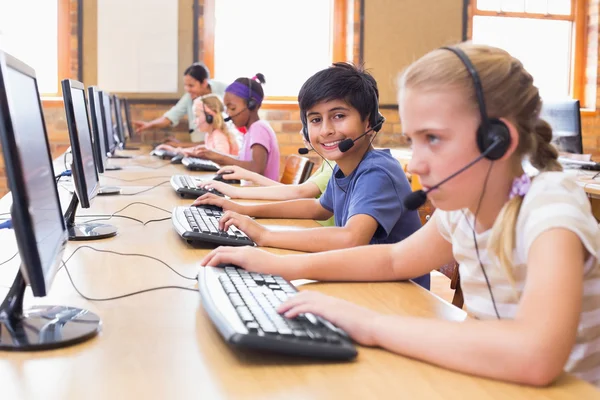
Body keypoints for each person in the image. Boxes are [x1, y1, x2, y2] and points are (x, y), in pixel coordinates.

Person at [201, 44, 600, 387]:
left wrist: (372, 326)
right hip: (491, 377)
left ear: (496, 142)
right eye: (413, 140)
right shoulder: (463, 207)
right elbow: (393, 258)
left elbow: (535, 355)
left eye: (433, 139)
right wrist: (278, 267)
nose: (418, 164)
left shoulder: (551, 210)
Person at [195, 62, 428, 289]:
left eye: (338, 116)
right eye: (316, 120)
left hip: (398, 294)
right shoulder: (343, 168)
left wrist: (265, 235)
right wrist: (244, 209)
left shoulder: (377, 171)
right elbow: (317, 208)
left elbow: (350, 238)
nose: (326, 130)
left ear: (369, 121)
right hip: (365, 280)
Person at [185, 74, 281, 181]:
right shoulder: (251, 130)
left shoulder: (258, 129)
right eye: (227, 108)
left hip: (262, 195)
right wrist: (214, 155)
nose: (228, 113)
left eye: (232, 108)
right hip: (254, 192)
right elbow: (243, 161)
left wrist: (222, 158)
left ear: (251, 105)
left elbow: (257, 169)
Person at [133, 62, 226, 143]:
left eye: (191, 85)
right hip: (199, 146)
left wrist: (179, 146)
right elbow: (170, 117)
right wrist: (149, 125)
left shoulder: (225, 91)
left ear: (204, 83)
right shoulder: (189, 97)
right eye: (185, 85)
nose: (187, 89)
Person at [156, 94, 239, 156]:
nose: (194, 121)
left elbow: (222, 158)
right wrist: (176, 151)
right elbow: (199, 150)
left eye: (197, 116)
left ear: (209, 117)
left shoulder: (218, 135)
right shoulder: (210, 135)